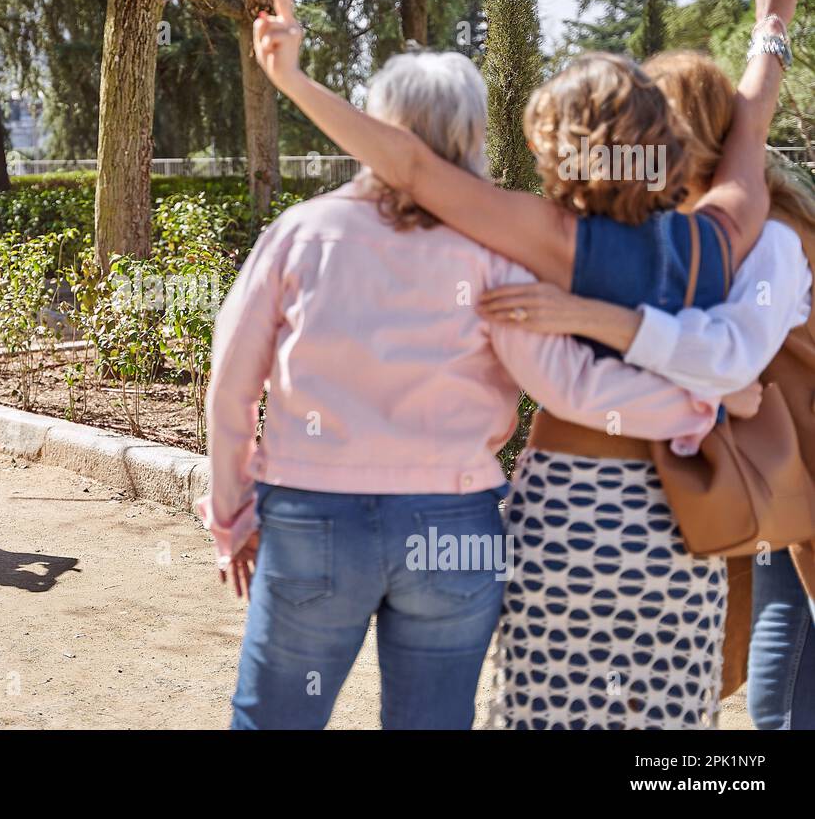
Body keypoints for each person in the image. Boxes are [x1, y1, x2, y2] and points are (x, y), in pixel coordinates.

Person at [248, 0, 801, 726]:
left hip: (567, 515)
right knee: (667, 721)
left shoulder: (547, 237)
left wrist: (293, 78)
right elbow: (748, 123)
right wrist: (769, 23)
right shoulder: (722, 233)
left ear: (559, 152)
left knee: (549, 709)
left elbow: (408, 167)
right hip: (681, 525)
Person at [199, 49, 721, 730]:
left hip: (312, 518)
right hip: (454, 526)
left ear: (378, 125)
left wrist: (231, 519)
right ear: (471, 135)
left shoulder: (300, 234)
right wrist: (697, 401)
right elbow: (570, 387)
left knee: (271, 721)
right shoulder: (492, 252)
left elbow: (230, 389)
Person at [477, 50, 815, 730]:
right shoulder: (701, 234)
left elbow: (725, 358)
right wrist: (768, 37)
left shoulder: (763, 237)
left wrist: (596, 319)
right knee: (736, 696)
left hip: (764, 478)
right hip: (745, 493)